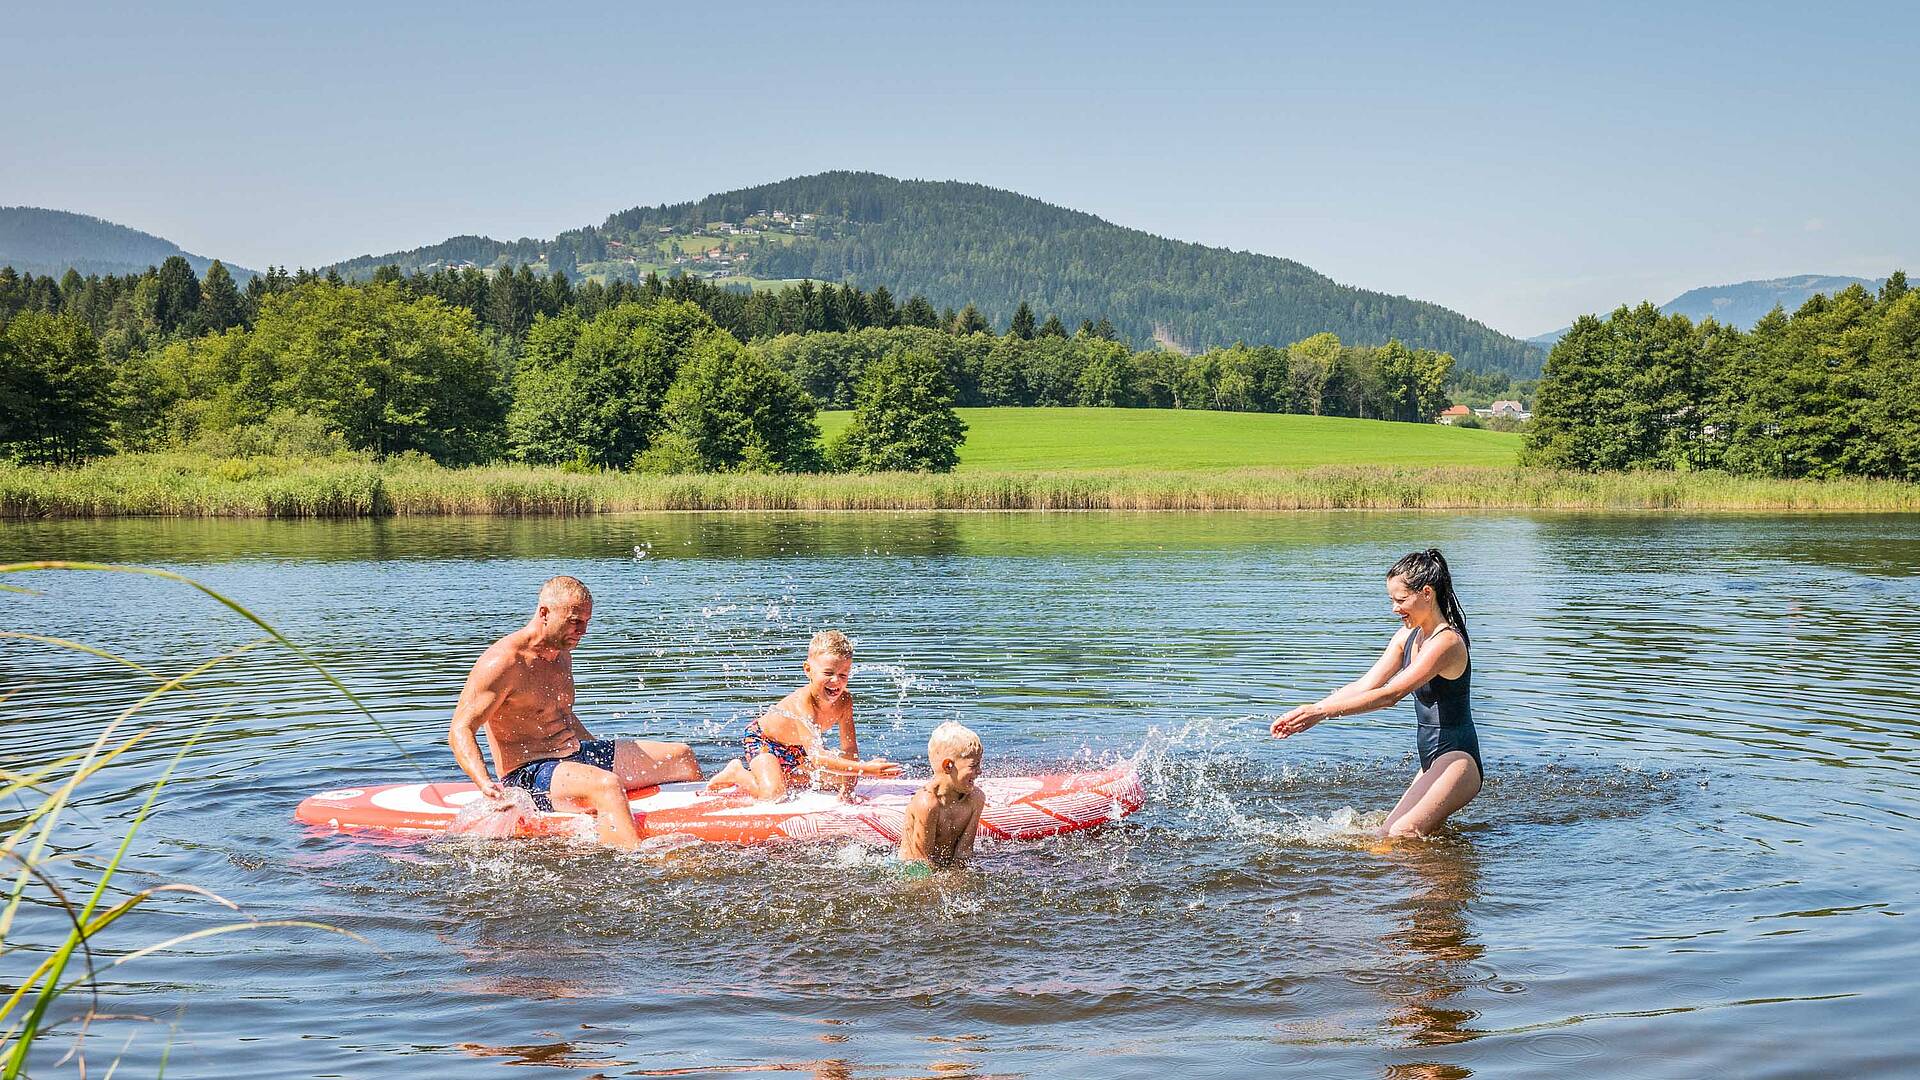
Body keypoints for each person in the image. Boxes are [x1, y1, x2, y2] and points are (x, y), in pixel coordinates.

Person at [448, 575, 702, 849]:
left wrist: (596, 757)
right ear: (544, 613)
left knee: (681, 757)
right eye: (574, 621)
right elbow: (461, 728)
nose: (582, 630)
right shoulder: (503, 663)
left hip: (575, 754)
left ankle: (709, 826)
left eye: (586, 622)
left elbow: (561, 715)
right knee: (606, 785)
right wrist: (485, 785)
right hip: (529, 773)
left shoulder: (561, 653)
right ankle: (634, 863)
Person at [1270, 549, 1482, 838]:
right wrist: (1310, 711)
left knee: (1401, 834)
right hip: (1432, 759)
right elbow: (1365, 684)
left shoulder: (1446, 642)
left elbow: (1390, 695)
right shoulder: (1407, 636)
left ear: (1427, 593)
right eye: (1391, 600)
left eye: (1400, 600)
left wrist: (1320, 713)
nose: (1394, 608)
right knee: (1390, 833)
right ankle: (1442, 877)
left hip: (1458, 759)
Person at [704, 630, 902, 801]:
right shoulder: (803, 702)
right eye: (828, 673)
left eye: (843, 675)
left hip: (797, 749)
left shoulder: (845, 701)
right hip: (764, 741)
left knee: (837, 780)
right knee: (773, 795)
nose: (836, 681)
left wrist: (847, 790)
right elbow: (817, 758)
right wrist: (866, 769)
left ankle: (784, 774)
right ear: (808, 670)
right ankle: (738, 773)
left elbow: (849, 747)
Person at [898, 721, 986, 869]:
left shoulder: (975, 799)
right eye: (973, 765)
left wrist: (959, 880)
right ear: (948, 766)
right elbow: (920, 863)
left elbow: (964, 853)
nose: (980, 771)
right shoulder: (927, 804)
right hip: (912, 870)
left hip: (942, 867)